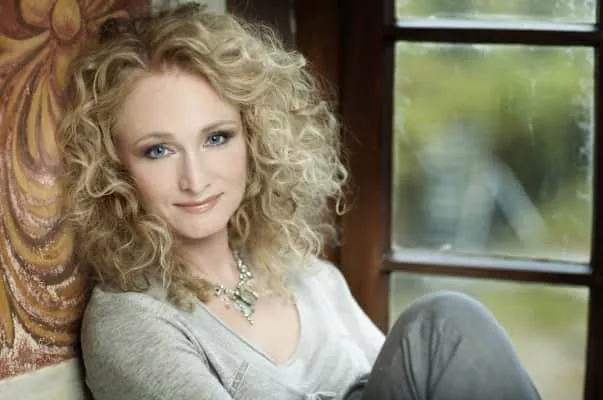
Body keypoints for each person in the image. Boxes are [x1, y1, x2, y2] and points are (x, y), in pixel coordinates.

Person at [57, 3, 542, 400]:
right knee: (442, 323)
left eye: (217, 138)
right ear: (114, 167)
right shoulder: (131, 318)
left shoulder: (308, 277)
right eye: (158, 151)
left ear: (255, 139)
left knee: (445, 324)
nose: (195, 178)